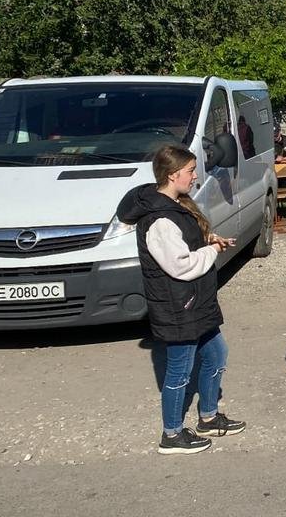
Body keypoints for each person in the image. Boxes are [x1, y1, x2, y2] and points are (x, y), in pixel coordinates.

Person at [115, 144, 245, 455]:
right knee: (179, 371)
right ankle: (171, 434)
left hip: (196, 302)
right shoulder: (159, 220)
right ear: (173, 175)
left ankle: (208, 417)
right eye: (190, 171)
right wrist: (211, 251)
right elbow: (180, 266)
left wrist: (210, 239)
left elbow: (186, 240)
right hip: (178, 306)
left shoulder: (176, 204)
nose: (195, 176)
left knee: (217, 355)